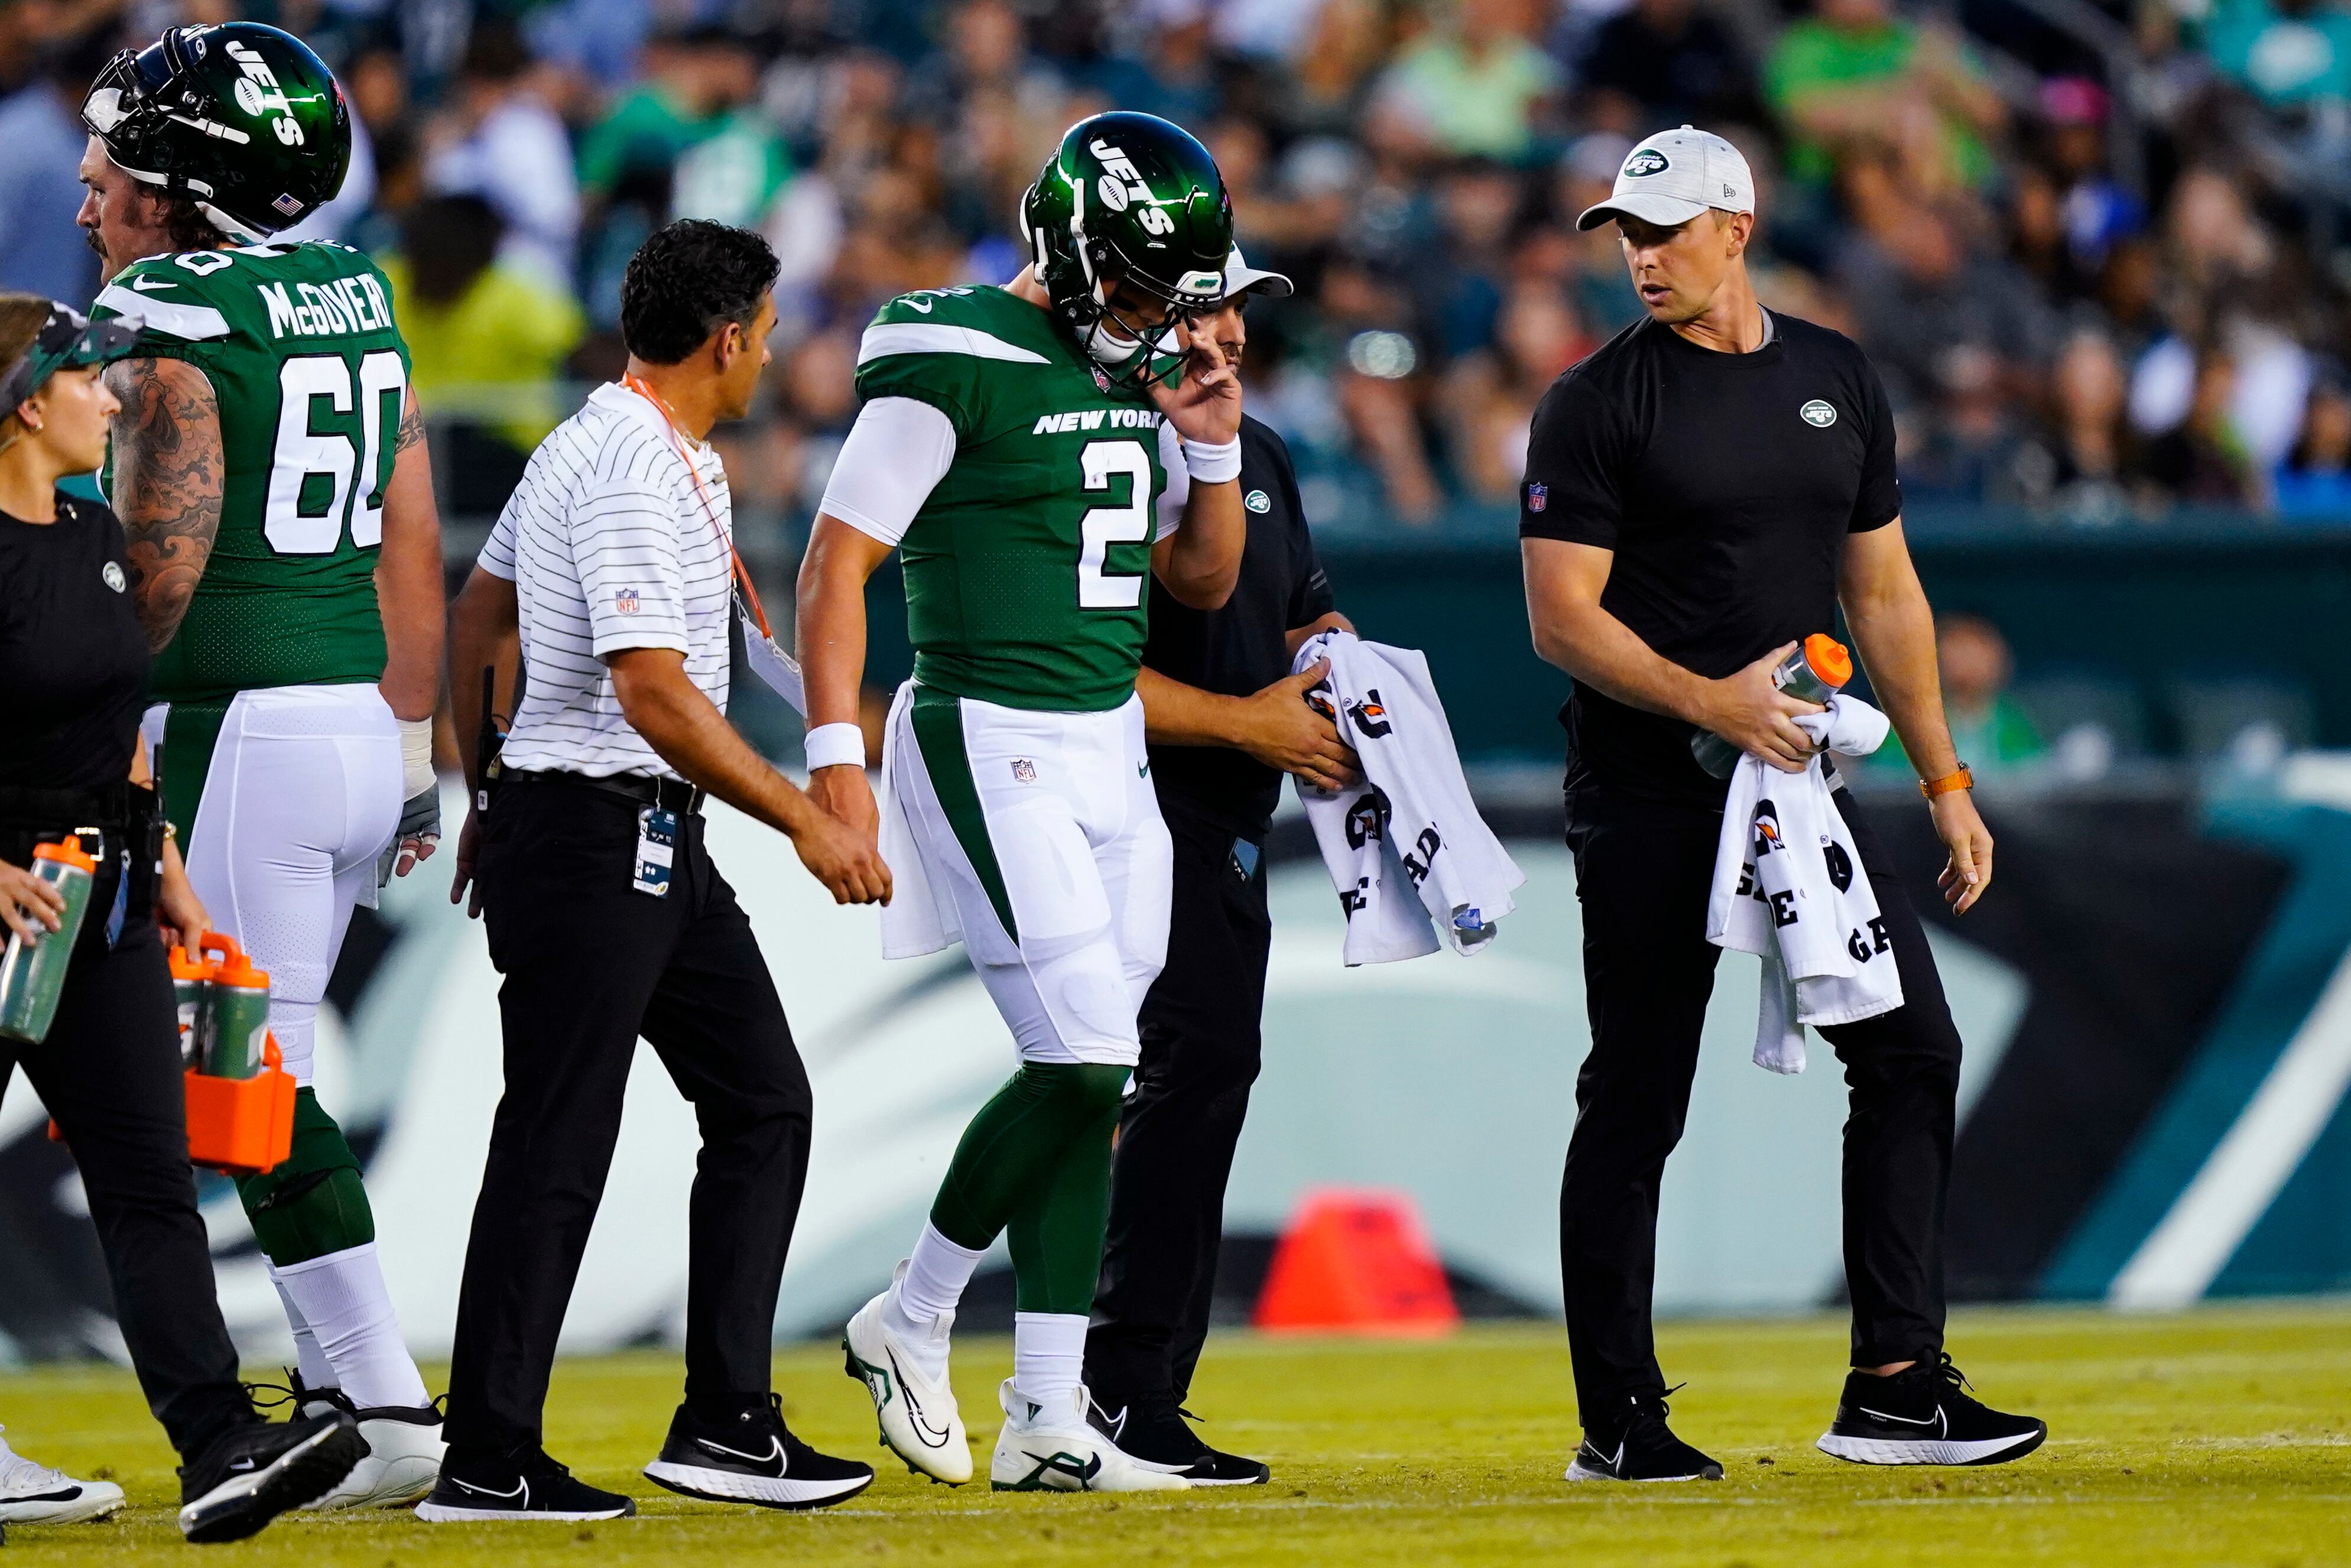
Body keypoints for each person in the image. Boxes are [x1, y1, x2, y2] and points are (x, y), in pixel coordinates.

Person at [1518, 126, 2046, 1482]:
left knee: (1913, 1050)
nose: (1643, 258)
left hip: (1794, 789)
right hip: (1648, 790)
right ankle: (1620, 1418)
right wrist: (1713, 701)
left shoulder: (1835, 375)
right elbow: (1560, 618)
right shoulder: (1594, 400)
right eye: (1628, 236)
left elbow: (1886, 592)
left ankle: (1896, 1389)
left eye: (1666, 231)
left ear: (1737, 228)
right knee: (1638, 1093)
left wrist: (1944, 777)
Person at [799, 111, 1246, 1494]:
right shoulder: (953, 349)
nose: (1156, 317)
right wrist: (833, 757)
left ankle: (1051, 1415)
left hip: (1110, 742)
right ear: (1064, 244)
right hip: (990, 733)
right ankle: (914, 1309)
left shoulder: (1143, 372)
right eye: (1136, 286)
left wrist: (1214, 447)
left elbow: (1201, 581)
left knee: (1092, 1082)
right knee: (1083, 1059)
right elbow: (833, 564)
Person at [429, 219, 886, 1524]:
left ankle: (727, 1421)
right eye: (769, 331)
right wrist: (803, 817)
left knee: (763, 1100)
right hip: (595, 830)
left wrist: (490, 783)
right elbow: (651, 691)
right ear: (728, 337)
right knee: (559, 1135)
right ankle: (488, 1454)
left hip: (623, 830)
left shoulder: (604, 440)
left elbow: (481, 611)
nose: (773, 354)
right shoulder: (631, 463)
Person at [80, 22, 449, 1508]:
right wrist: (411, 741)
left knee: (240, 1074)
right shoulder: (354, 288)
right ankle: (353, 1400)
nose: (93, 198)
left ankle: (383, 1396)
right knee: (253, 1070)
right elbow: (412, 525)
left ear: (182, 188)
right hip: (351, 718)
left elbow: (159, 570)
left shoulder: (168, 306)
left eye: (116, 173)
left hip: (233, 724)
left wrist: (78, 719)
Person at [0, 294, 365, 1544]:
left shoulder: (93, 529)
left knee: (150, 1177)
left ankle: (218, 1443)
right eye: (86, 378)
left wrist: (162, 863)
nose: (111, 397)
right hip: (6, 895)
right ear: (24, 406)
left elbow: (120, 727)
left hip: (95, 903)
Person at [1082, 250, 1354, 1485]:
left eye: (1236, 306)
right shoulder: (1107, 451)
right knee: (1174, 1071)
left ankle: (1133, 1385)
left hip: (1231, 816)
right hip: (1137, 807)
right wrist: (1250, 723)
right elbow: (1081, 668)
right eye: (1201, 307)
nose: (1228, 330)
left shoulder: (1264, 452)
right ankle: (1117, 1382)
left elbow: (1296, 611)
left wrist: (1339, 663)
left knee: (1203, 1074)